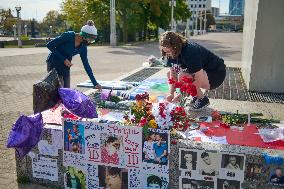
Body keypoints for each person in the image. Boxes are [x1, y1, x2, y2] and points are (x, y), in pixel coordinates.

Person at [159, 31, 226, 110]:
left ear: (176, 46)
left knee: (183, 76)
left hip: (216, 74)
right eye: (165, 51)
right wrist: (171, 94)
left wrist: (182, 94)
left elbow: (198, 76)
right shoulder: (169, 53)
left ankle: (202, 99)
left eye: (169, 51)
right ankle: (196, 95)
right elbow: (172, 74)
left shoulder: (190, 51)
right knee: (169, 73)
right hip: (204, 74)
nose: (167, 54)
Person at [46, 20, 102, 90]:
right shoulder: (69, 36)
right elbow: (49, 45)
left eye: (92, 40)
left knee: (67, 91)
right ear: (84, 36)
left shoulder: (83, 47)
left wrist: (95, 83)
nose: (90, 42)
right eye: (90, 39)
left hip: (65, 66)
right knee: (60, 89)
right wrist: (64, 59)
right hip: (54, 63)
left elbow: (86, 65)